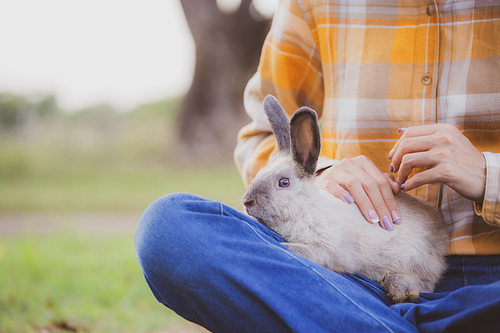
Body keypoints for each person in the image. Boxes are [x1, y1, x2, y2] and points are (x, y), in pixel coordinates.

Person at [135, 1, 500, 332]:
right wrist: (322, 173)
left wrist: (489, 176)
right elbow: (260, 135)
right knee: (168, 229)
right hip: (341, 283)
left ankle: (364, 325)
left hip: (491, 278)